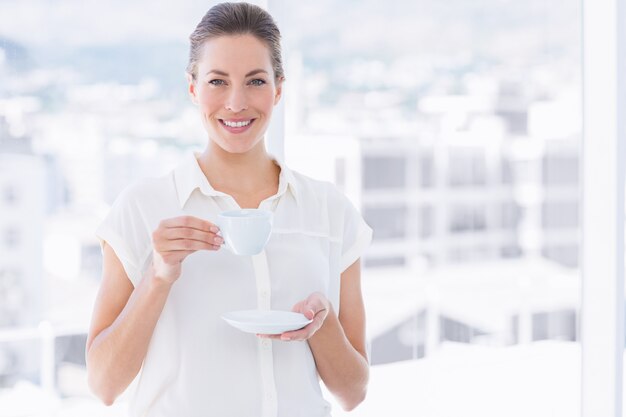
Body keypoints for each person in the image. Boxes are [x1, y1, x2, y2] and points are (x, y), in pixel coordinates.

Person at [85, 3, 372, 416]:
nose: (236, 103)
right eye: (218, 81)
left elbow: (353, 393)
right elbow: (104, 385)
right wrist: (158, 276)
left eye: (255, 81)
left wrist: (321, 327)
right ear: (192, 88)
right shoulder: (143, 208)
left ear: (278, 89)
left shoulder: (331, 212)